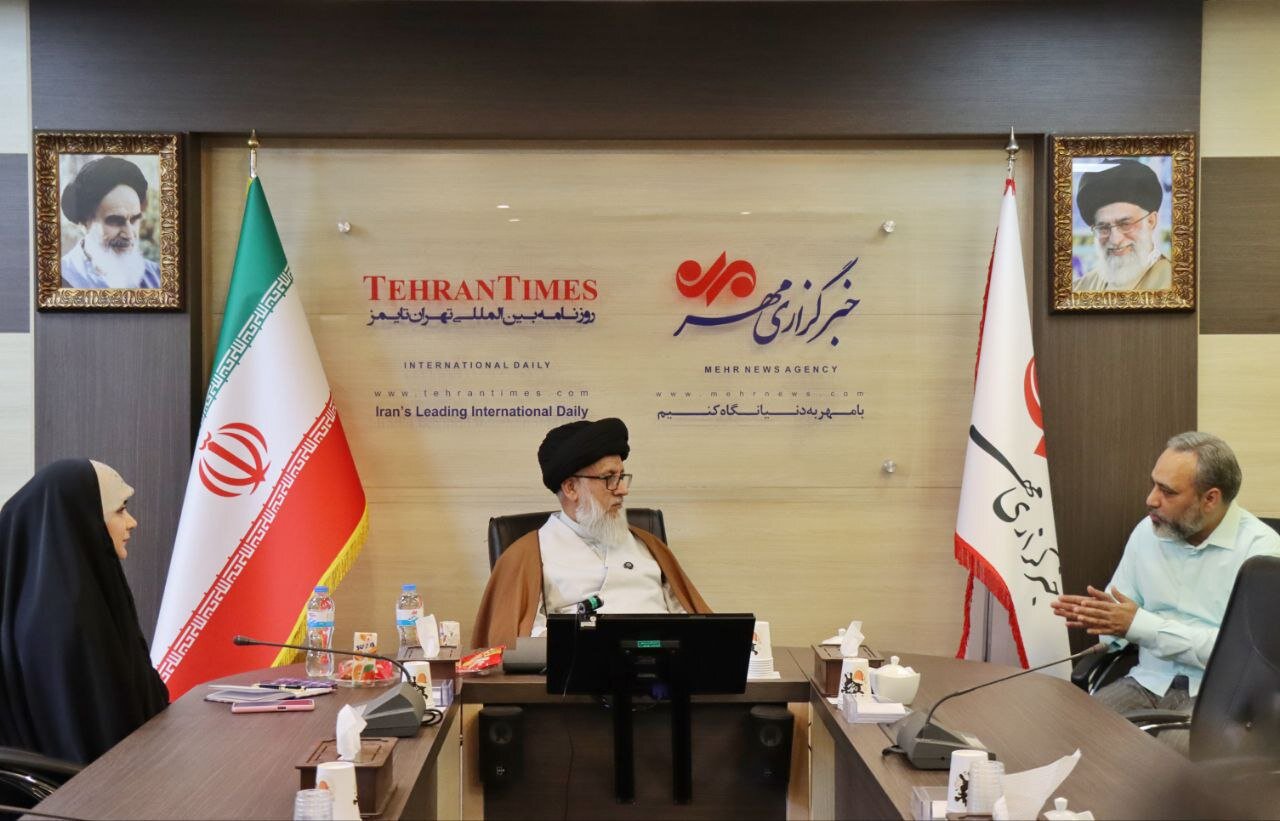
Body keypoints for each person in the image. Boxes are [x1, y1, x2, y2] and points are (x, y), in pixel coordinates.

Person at [1050, 432, 1280, 752]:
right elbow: (1120, 622)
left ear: (1210, 499)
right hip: (1146, 681)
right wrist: (1103, 619)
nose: (1151, 499)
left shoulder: (1263, 553)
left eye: (1167, 491)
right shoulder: (1148, 531)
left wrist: (1140, 625)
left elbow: (1240, 657)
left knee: (1168, 759)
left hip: (1217, 694)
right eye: (1154, 484)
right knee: (1068, 734)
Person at [472, 418, 710, 648]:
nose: (623, 490)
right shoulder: (528, 556)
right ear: (571, 488)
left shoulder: (648, 545)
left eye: (621, 477)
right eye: (609, 478)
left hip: (665, 667)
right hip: (581, 671)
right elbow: (522, 647)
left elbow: (693, 622)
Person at [0, 460, 169, 765]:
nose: (132, 522)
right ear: (81, 519)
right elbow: (99, 739)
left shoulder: (87, 592)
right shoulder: (65, 622)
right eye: (120, 510)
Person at [58, 156, 161, 290]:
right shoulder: (61, 279)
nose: (129, 234)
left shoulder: (156, 276)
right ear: (84, 223)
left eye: (134, 219)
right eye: (115, 221)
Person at [1071, 159, 1172, 292]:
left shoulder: (1175, 284)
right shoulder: (1079, 289)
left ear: (1151, 221)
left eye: (1125, 224)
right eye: (1103, 228)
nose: (1115, 240)